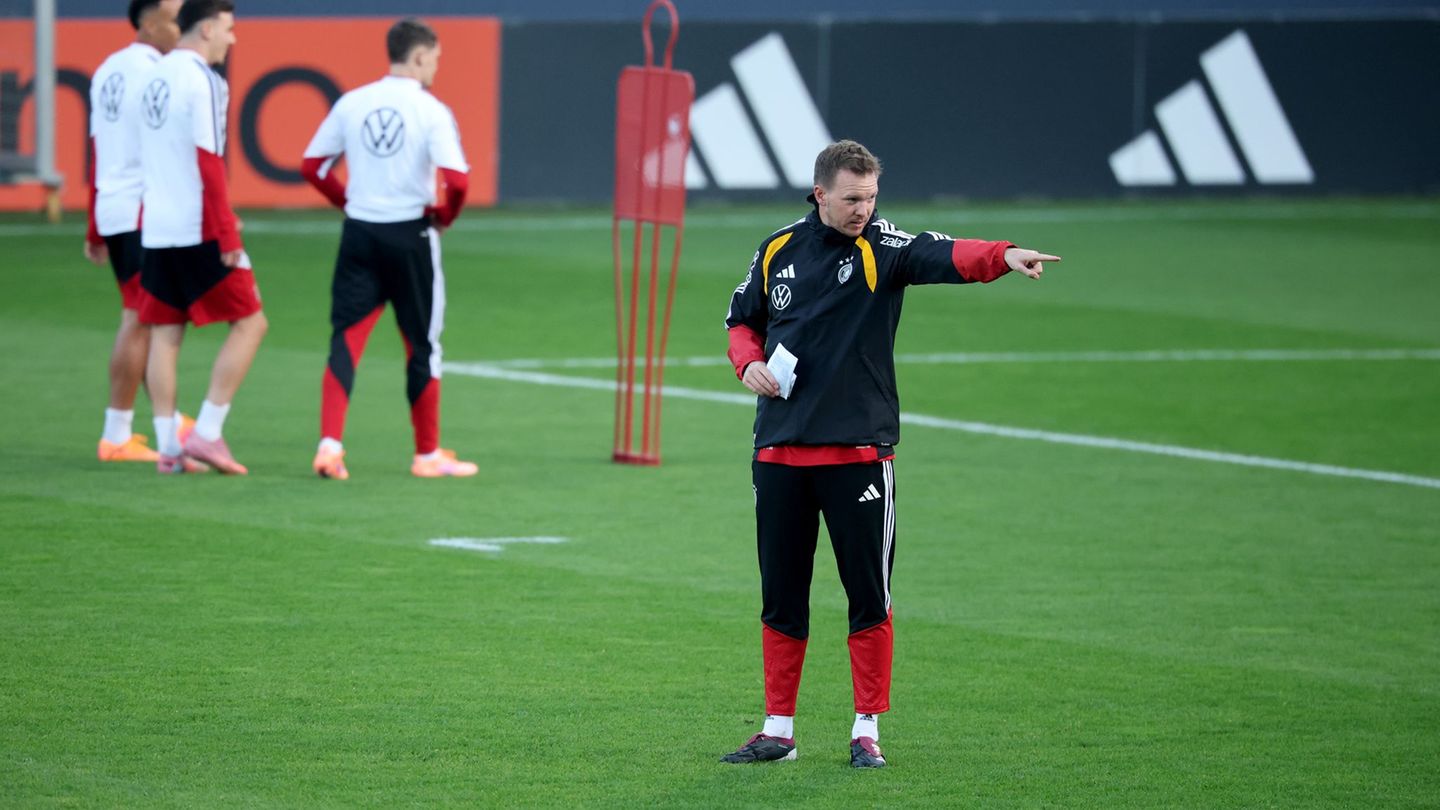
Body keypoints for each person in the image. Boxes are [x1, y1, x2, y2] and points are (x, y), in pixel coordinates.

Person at [719, 140, 1060, 768]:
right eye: (852, 199)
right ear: (820, 193)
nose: (864, 210)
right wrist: (749, 364)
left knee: (868, 595)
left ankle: (866, 730)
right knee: (781, 595)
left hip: (858, 456)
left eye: (871, 197)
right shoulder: (777, 251)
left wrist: (1004, 255)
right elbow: (742, 320)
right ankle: (777, 729)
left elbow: (943, 253)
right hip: (780, 452)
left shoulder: (882, 248)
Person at [300, 17, 476, 480]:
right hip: (411, 237)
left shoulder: (352, 102)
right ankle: (426, 454)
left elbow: (313, 165)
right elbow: (457, 181)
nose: (436, 68)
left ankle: (330, 446)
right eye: (435, 59)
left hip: (360, 232)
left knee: (347, 338)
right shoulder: (431, 110)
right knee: (421, 345)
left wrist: (348, 203)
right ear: (419, 57)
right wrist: (445, 216)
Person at [137, 0, 267, 475]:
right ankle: (208, 433)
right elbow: (208, 161)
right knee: (252, 323)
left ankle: (169, 449)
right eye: (229, 29)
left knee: (165, 336)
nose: (233, 39)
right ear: (208, 28)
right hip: (197, 227)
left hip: (157, 227)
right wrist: (226, 229)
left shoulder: (153, 76)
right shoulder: (204, 80)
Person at [85, 0, 185, 463]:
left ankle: (163, 415)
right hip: (143, 207)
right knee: (142, 318)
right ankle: (117, 432)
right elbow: (165, 147)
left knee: (149, 315)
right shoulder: (156, 76)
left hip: (115, 204)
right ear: (148, 22)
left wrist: (95, 222)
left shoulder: (109, 69)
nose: (182, 26)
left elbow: (98, 147)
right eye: (174, 17)